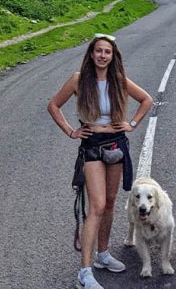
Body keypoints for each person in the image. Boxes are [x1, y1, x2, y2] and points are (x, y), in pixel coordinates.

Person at [47, 33, 153, 289]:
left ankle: (102, 255)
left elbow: (146, 100)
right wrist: (72, 131)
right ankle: (84, 272)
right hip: (92, 147)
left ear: (113, 56)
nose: (103, 56)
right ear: (91, 54)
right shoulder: (79, 80)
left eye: (107, 52)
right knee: (97, 205)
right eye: (99, 51)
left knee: (110, 203)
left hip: (117, 144)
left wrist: (132, 124)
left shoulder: (119, 81)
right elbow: (53, 105)